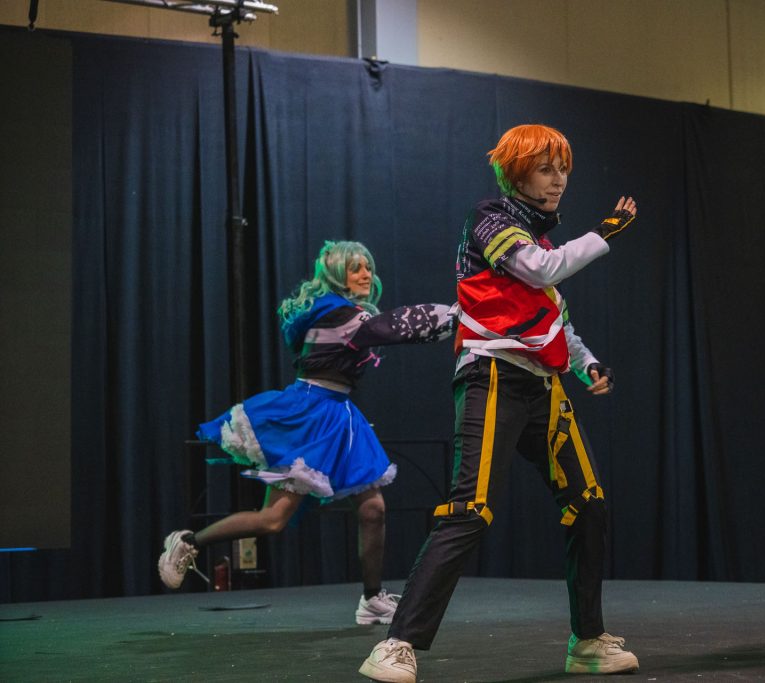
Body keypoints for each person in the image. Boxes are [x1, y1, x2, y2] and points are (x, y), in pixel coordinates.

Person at [359, 124, 640, 682]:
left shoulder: (539, 242)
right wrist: (605, 231)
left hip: (542, 386)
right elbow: (541, 270)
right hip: (491, 377)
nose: (558, 180)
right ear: (516, 175)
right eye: (545, 169)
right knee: (470, 510)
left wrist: (587, 365)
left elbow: (554, 318)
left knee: (589, 504)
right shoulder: (490, 219)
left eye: (563, 169)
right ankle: (396, 644)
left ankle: (587, 641)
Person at [157, 240, 453, 625]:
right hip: (310, 413)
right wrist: (456, 314)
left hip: (338, 414)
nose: (366, 274)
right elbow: (393, 327)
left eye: (368, 266)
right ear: (337, 274)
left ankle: (371, 598)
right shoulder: (336, 311)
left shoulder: (345, 311)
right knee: (273, 519)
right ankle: (187, 541)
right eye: (356, 268)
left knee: (373, 509)